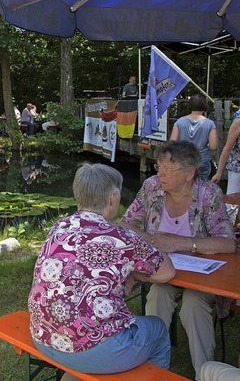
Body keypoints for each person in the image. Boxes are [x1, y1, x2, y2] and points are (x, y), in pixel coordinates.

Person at [28, 163, 175, 375]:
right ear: (112, 199)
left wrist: (126, 272)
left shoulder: (59, 226)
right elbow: (167, 272)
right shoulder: (122, 239)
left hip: (43, 336)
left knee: (81, 335)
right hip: (96, 350)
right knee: (158, 329)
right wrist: (133, 270)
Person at [120, 140, 236, 378]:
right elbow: (125, 224)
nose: (160, 174)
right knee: (158, 295)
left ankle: (204, 371)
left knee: (194, 304)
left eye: (168, 170)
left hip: (202, 274)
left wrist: (182, 243)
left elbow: (228, 243)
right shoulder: (152, 187)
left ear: (189, 173)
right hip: (163, 270)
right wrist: (151, 240)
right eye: (158, 167)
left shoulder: (208, 194)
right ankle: (152, 365)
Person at [170, 94, 217, 179]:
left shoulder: (179, 122)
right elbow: (213, 146)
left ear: (190, 106)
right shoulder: (210, 124)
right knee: (202, 187)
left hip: (184, 159)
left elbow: (172, 142)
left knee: (184, 185)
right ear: (204, 106)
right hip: (202, 160)